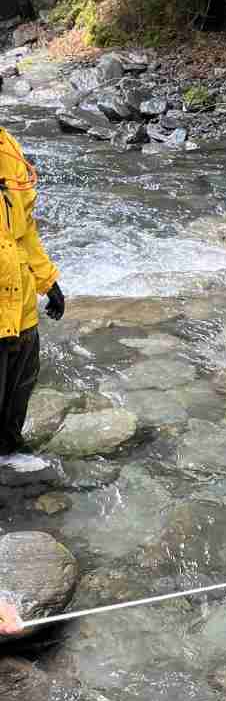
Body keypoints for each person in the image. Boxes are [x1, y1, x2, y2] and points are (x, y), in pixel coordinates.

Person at [0, 125, 65, 458]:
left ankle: (14, 474)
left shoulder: (9, 148)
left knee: (15, 404)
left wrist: (47, 280)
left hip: (21, 309)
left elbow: (25, 229)